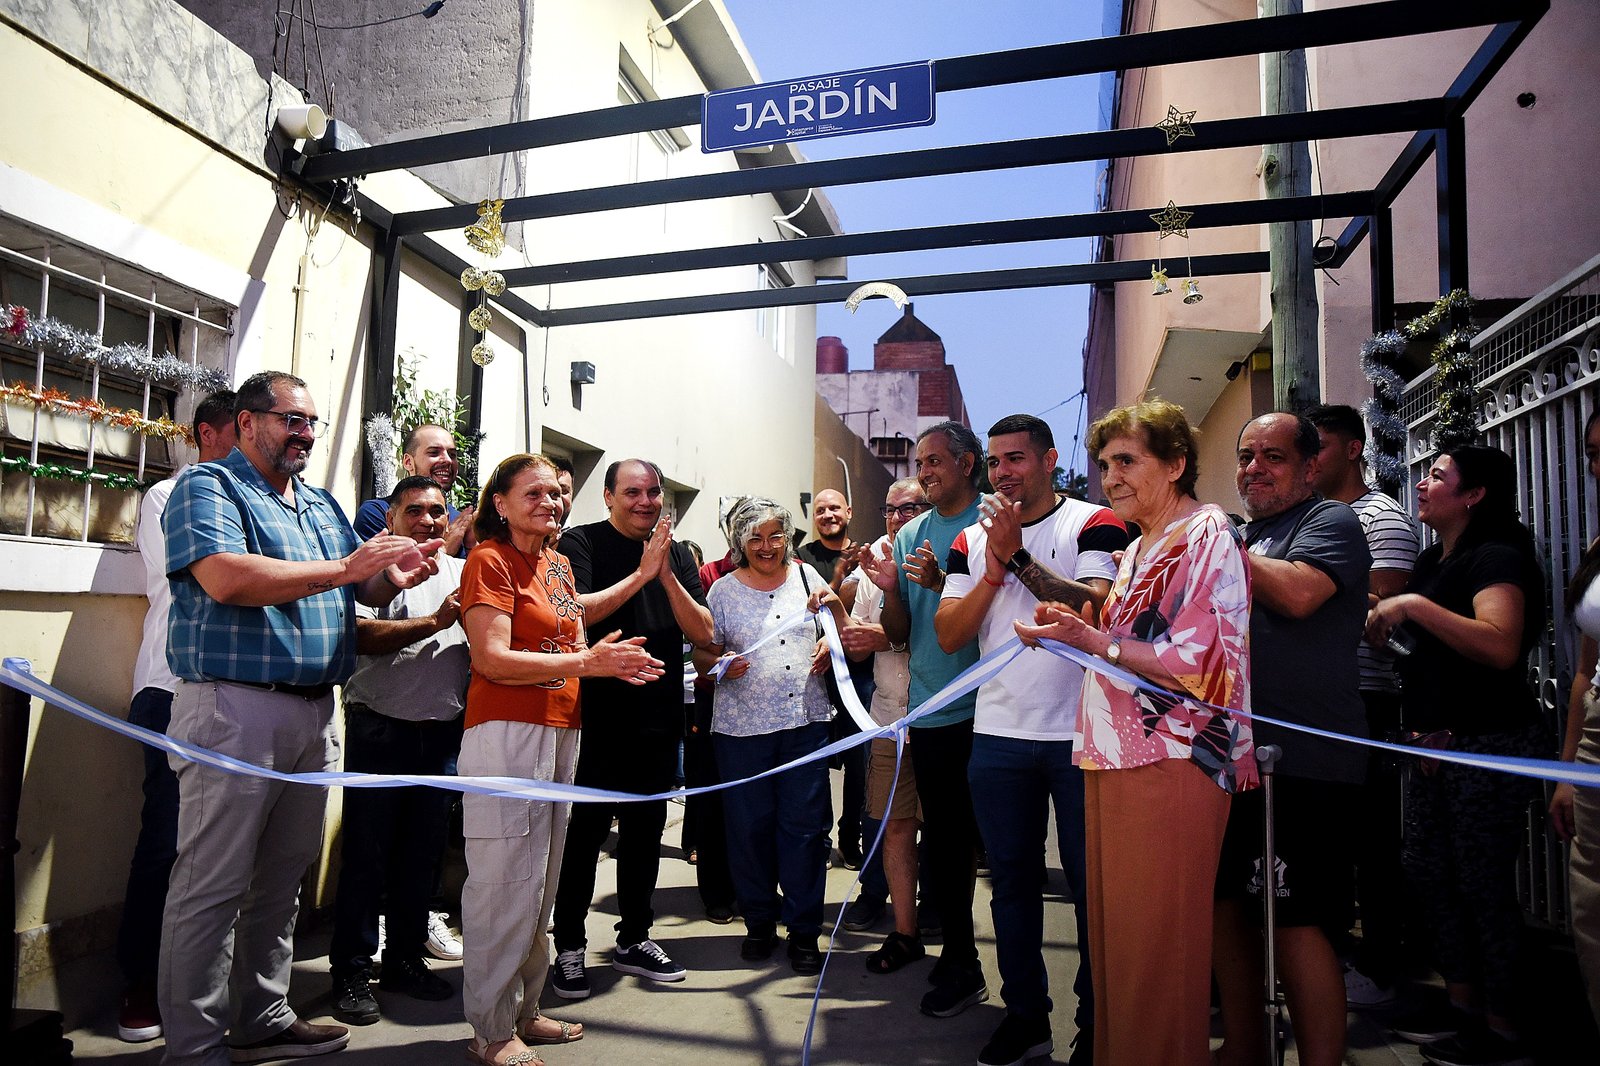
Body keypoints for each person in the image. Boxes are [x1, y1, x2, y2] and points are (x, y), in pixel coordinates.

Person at [159, 371, 442, 1066]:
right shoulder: (208, 488)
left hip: (316, 713)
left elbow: (355, 587)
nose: (306, 434)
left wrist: (390, 576)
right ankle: (194, 1048)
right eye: (292, 419)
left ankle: (262, 1016)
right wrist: (348, 569)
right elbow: (228, 578)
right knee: (211, 887)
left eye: (312, 422)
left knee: (283, 880)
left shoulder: (316, 502)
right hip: (234, 709)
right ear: (247, 422)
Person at [1018, 398, 1255, 1066]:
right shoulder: (1139, 546)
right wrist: (1076, 631)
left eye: (1127, 460)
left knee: (1158, 952)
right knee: (1119, 946)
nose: (1111, 477)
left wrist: (1095, 640)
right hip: (1114, 757)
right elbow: (1124, 643)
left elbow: (1204, 660)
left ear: (1176, 464)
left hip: (1174, 760)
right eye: (1104, 464)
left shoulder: (1208, 532)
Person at [457, 452, 664, 1066]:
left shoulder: (556, 562)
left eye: (556, 493)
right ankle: (490, 1030)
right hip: (505, 733)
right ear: (500, 503)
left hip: (560, 730)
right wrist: (588, 663)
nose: (550, 502)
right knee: (502, 885)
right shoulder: (489, 560)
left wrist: (642, 576)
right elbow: (492, 658)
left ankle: (525, 1011)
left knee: (541, 883)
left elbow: (577, 615)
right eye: (535, 493)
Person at [934, 414, 1127, 1066]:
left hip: (1082, 735)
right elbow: (950, 635)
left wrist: (1017, 555)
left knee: (1091, 889)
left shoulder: (1094, 522)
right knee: (1011, 887)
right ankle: (1025, 1018)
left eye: (1015, 458)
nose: (1002, 472)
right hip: (998, 735)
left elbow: (1092, 609)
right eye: (994, 461)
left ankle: (1096, 1026)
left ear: (1049, 460)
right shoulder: (969, 540)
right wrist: (993, 568)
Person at [1367, 444, 1547, 1066]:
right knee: (1432, 876)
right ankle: (1463, 1007)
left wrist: (1413, 606)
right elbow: (1431, 648)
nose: (1422, 483)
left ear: (1474, 495)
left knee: (1481, 885)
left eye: (1438, 475)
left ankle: (1505, 1029)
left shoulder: (1497, 556)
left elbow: (1499, 645)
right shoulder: (1430, 558)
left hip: (1486, 742)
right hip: (1433, 744)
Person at [1213, 412, 1370, 1066]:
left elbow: (1302, 594)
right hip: (1232, 761)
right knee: (1227, 911)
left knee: (1298, 922)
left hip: (1307, 764)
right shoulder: (1243, 535)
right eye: (1246, 456)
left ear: (1310, 467)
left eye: (1272, 457)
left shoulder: (1329, 522)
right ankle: (1244, 1049)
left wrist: (1221, 548)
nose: (1253, 468)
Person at [549, 460, 712, 998]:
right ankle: (569, 947)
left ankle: (635, 938)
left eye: (654, 492)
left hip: (657, 720)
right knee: (584, 837)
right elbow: (575, 615)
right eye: (633, 492)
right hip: (595, 719)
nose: (645, 501)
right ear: (608, 497)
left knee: (644, 834)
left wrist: (663, 573)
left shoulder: (677, 554)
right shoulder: (581, 543)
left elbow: (704, 632)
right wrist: (641, 575)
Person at [114, 389, 236, 1044]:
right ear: (206, 434)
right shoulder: (171, 495)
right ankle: (139, 982)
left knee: (223, 850)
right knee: (166, 839)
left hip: (237, 693)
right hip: (170, 687)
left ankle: (202, 986)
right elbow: (206, 582)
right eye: (241, 429)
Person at [858, 420, 989, 1018]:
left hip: (994, 709)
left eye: (935, 461)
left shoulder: (996, 522)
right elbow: (899, 633)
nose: (925, 472)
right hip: (933, 713)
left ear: (967, 463)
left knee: (995, 851)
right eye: (920, 463)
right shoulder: (911, 534)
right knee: (945, 841)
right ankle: (959, 957)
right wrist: (891, 589)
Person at [328, 476, 470, 1025]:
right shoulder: (372, 571)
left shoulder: (463, 571)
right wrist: (434, 623)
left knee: (422, 858)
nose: (428, 520)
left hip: (442, 735)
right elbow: (361, 637)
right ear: (390, 519)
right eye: (414, 511)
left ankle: (405, 961)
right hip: (381, 730)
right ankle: (350, 972)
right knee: (367, 858)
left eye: (437, 511)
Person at [695, 497, 847, 975]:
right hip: (742, 732)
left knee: (805, 830)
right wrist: (720, 664)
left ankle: (804, 931)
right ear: (740, 542)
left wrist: (829, 644)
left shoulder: (806, 577)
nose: (766, 546)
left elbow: (836, 627)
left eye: (775, 535)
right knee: (749, 830)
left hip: (805, 724)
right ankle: (759, 923)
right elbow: (702, 654)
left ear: (787, 538)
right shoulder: (722, 591)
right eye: (755, 538)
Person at [1309, 403, 1421, 1008]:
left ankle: (1382, 964)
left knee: (1373, 838)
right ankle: (1334, 957)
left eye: (1319, 446)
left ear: (1353, 450)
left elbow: (1384, 616)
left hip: (1367, 696)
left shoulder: (1383, 518)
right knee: (1330, 839)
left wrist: (1316, 591)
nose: (1309, 459)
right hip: (1319, 699)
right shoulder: (1313, 517)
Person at [839, 478, 929, 952]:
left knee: (940, 822)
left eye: (909, 508)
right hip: (887, 714)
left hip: (940, 714)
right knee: (883, 817)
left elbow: (948, 635)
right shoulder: (872, 558)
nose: (897, 518)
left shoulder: (948, 550)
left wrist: (886, 636)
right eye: (890, 509)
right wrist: (841, 618)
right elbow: (858, 642)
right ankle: (876, 896)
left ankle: (933, 904)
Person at [1553, 406, 1600, 1034]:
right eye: (1592, 453)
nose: (1598, 466)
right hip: (1594, 740)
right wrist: (1565, 770)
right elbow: (1584, 672)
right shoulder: (1597, 548)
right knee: (1591, 907)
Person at [798, 486, 872, 869]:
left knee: (860, 764)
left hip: (858, 678)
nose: (828, 515)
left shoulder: (866, 556)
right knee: (816, 765)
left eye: (835, 509)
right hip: (814, 675)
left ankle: (849, 838)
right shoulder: (801, 559)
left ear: (849, 512)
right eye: (821, 510)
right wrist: (840, 574)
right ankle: (820, 839)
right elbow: (803, 611)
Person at [355, 423, 476, 556]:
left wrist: (472, 547)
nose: (447, 460)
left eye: (452, 455)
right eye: (434, 453)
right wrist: (444, 549)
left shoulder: (460, 521)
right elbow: (382, 567)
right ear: (408, 462)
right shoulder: (377, 512)